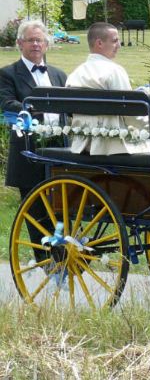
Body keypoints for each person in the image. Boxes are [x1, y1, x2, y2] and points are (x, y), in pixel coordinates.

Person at [0, 20, 67, 260]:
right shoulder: (8, 74)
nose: (36, 44)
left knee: (62, 208)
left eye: (40, 40)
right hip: (28, 152)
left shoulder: (58, 74)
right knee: (37, 212)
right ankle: (46, 262)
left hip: (60, 152)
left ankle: (66, 256)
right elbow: (7, 105)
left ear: (47, 44)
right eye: (31, 40)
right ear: (19, 44)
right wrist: (36, 109)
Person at [65, 22, 150, 155]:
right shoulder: (114, 71)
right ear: (99, 43)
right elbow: (131, 113)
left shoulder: (75, 74)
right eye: (115, 41)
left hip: (82, 144)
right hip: (113, 145)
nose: (119, 45)